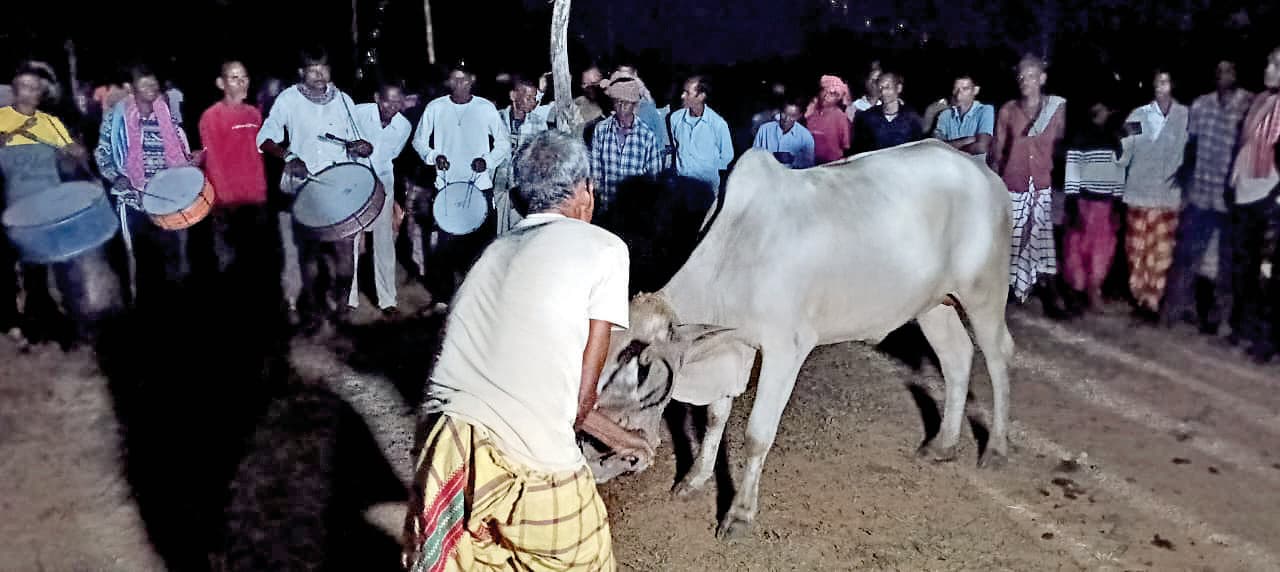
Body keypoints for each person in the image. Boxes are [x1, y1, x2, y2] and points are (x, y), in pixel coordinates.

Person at [402, 130, 650, 571]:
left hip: (446, 450)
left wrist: (621, 439)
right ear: (585, 191)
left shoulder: (494, 252)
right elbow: (580, 400)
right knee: (584, 559)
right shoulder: (606, 249)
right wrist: (623, 437)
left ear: (521, 196)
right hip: (529, 455)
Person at [256, 47, 373, 334]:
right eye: (312, 69)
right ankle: (314, 311)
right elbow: (264, 138)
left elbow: (358, 141)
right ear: (301, 73)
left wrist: (361, 146)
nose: (320, 74)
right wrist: (288, 157)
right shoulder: (288, 100)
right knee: (309, 256)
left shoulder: (343, 99)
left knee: (346, 258)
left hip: (340, 188)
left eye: (324, 67)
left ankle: (342, 309)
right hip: (305, 187)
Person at [0, 63, 112, 347]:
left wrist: (78, 153)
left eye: (36, 88)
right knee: (32, 273)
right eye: (25, 87)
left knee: (66, 269)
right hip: (17, 209)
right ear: (14, 90)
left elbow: (74, 154)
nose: (31, 93)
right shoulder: (1, 118)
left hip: (52, 206)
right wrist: (15, 133)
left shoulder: (50, 123)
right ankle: (35, 326)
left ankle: (75, 328)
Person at [95, 63, 197, 306]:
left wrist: (189, 164)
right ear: (131, 88)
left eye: (154, 84)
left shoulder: (166, 115)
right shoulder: (116, 118)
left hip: (168, 201)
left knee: (174, 261)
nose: (151, 89)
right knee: (144, 263)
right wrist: (116, 176)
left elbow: (180, 152)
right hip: (135, 202)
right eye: (145, 84)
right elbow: (103, 154)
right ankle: (147, 316)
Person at [1163, 60, 1253, 333]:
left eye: (1229, 70)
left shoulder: (1247, 104)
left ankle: (1220, 318)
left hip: (1230, 196)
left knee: (1226, 262)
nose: (1223, 75)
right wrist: (1185, 183)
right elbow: (1191, 145)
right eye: (1219, 71)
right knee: (1187, 253)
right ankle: (1176, 309)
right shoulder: (1202, 105)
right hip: (1201, 191)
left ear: (1237, 74)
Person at [411, 60, 511, 305]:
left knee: (480, 247)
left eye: (464, 79)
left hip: (479, 187)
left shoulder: (485, 108)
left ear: (472, 80)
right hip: (447, 188)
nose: (459, 85)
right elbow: (419, 141)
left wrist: (486, 161)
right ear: (448, 82)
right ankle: (444, 298)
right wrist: (434, 156)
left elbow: (503, 144)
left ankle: (477, 299)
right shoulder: (436, 107)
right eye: (454, 79)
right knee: (445, 247)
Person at [992, 55, 1068, 315]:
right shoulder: (1008, 110)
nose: (1025, 81)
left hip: (1041, 182)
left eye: (1031, 76)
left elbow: (1058, 144)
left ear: (1042, 79)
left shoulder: (1056, 108)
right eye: (1021, 77)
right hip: (1013, 182)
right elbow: (998, 151)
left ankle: (1047, 292)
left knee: (1041, 239)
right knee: (1012, 239)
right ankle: (1010, 291)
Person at [1117, 70, 1189, 322]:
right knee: (1137, 249)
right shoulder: (1139, 114)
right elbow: (1124, 151)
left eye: (1166, 81)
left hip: (1168, 196)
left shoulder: (1185, 116)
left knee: (1161, 252)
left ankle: (1152, 301)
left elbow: (1191, 152)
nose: (1161, 86)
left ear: (1173, 85)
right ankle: (1139, 296)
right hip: (1138, 192)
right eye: (1157, 81)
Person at [1226, 46, 1280, 362]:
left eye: (1275, 65)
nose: (1269, 69)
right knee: (1244, 268)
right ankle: (1245, 328)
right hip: (1246, 192)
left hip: (1269, 197)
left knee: (1268, 274)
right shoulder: (1260, 101)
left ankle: (1267, 339)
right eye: (1269, 63)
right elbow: (1245, 145)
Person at [196, 61, 271, 281]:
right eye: (234, 78)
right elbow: (214, 162)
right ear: (221, 83)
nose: (241, 83)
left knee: (255, 261)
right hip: (227, 204)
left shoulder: (254, 114)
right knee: (229, 265)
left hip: (256, 200)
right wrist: (224, 201)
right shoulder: (211, 117)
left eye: (244, 77)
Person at [350, 82, 411, 314]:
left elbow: (391, 156)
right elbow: (342, 143)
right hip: (356, 181)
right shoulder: (358, 113)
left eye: (397, 102)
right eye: (387, 101)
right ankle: (350, 298)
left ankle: (387, 300)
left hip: (383, 184)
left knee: (384, 242)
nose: (391, 107)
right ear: (377, 97)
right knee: (352, 241)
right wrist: (354, 147)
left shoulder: (404, 126)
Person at [1061, 101, 1125, 313]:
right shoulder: (1081, 137)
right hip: (1084, 202)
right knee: (1078, 248)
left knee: (1101, 250)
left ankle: (1093, 290)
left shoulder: (1112, 139)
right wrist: (1073, 205)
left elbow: (1118, 173)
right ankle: (1077, 292)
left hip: (1104, 203)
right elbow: (1072, 172)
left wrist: (1116, 204)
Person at [591, 71, 661, 219]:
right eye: (618, 101)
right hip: (607, 207)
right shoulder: (601, 130)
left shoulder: (646, 136)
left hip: (635, 212)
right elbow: (596, 171)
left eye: (626, 102)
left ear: (635, 106)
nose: (621, 106)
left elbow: (653, 178)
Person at [494, 77, 548, 233]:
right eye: (528, 97)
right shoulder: (496, 119)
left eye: (534, 98)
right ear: (513, 96)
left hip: (523, 190)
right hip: (497, 187)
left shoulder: (539, 123)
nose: (533, 102)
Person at [669, 75, 734, 195]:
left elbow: (727, 156)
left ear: (701, 96)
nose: (682, 96)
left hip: (706, 192)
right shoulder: (675, 119)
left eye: (687, 93)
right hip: (681, 188)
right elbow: (676, 144)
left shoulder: (718, 124)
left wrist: (706, 169)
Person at [852, 72, 923, 154]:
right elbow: (859, 151)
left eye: (887, 87)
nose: (883, 92)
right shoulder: (866, 117)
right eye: (880, 88)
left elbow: (918, 149)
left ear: (899, 88)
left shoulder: (911, 117)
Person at [933, 74, 995, 162]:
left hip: (976, 169)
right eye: (956, 89)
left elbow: (981, 147)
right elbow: (935, 145)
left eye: (965, 89)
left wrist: (948, 147)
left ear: (976, 90)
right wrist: (968, 140)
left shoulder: (985, 110)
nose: (958, 94)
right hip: (950, 167)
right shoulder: (945, 115)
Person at [752, 100, 815, 169]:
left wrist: (792, 159)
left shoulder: (805, 136)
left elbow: (809, 166)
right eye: (784, 114)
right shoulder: (764, 129)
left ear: (799, 116)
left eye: (792, 116)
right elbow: (754, 156)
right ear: (780, 112)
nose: (786, 119)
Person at [805, 75, 851, 164]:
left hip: (832, 165)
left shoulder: (840, 116)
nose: (826, 96)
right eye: (824, 91)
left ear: (838, 98)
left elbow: (846, 147)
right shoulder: (810, 112)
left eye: (832, 94)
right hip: (810, 164)